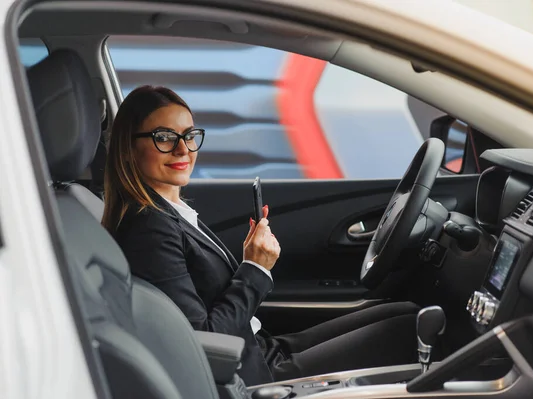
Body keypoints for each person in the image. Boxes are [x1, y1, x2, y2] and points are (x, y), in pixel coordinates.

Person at [102, 85, 421, 386]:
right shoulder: (150, 228)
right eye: (164, 137)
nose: (183, 148)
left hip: (259, 347)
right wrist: (255, 269)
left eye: (189, 135)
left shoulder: (169, 211)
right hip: (254, 376)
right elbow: (201, 344)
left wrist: (247, 264)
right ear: (129, 149)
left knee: (405, 312)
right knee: (408, 330)